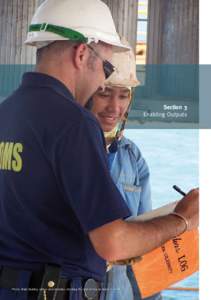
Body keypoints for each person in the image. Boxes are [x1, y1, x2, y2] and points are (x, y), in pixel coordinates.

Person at [0, 1, 199, 300]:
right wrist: (181, 220)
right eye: (106, 68)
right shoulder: (73, 121)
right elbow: (113, 244)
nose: (102, 82)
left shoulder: (8, 112)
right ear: (82, 53)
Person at [90, 39, 161, 300]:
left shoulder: (133, 158)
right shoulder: (65, 150)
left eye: (124, 95)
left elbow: (146, 246)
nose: (114, 107)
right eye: (105, 93)